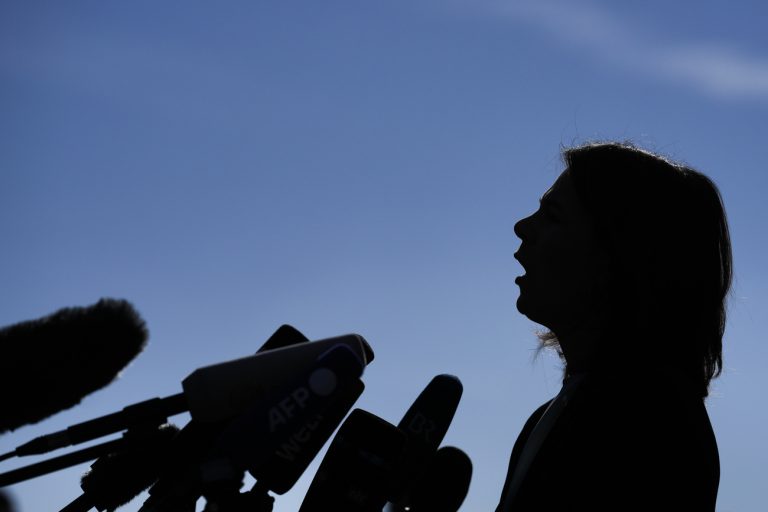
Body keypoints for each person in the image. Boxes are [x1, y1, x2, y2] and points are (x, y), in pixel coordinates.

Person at [496, 142, 731, 511]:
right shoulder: (554, 415)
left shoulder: (653, 429)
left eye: (554, 217)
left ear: (618, 254)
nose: (523, 227)